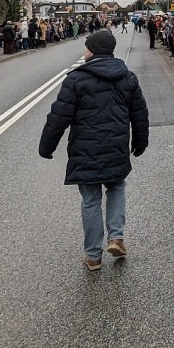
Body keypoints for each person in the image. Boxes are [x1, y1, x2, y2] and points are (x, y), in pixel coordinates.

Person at [38, 30, 149, 270]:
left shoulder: (76, 80)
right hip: (116, 147)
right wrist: (140, 142)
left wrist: (47, 146)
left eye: (86, 46)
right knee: (117, 187)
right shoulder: (127, 77)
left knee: (90, 199)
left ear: (93, 50)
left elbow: (58, 116)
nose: (84, 50)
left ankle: (93, 255)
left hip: (84, 149)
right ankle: (116, 236)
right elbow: (139, 114)